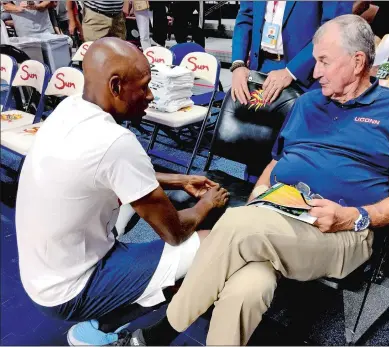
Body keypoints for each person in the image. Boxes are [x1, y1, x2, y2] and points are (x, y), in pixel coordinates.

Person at [115, 14, 389, 346]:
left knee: (238, 224)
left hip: (341, 230)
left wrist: (354, 217)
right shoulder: (308, 103)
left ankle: (159, 333)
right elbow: (277, 162)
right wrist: (259, 201)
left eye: (323, 61)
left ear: (357, 62)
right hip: (277, 217)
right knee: (247, 286)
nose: (316, 71)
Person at [15, 37, 229, 346]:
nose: (150, 95)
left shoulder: (68, 110)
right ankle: (107, 327)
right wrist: (207, 204)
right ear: (115, 86)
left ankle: (115, 302)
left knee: (128, 205)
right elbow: (175, 233)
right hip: (69, 291)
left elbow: (111, 173)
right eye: (143, 87)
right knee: (210, 243)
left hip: (41, 277)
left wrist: (178, 180)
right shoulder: (114, 141)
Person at [230, 1, 354, 106]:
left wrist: (291, 71)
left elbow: (334, 28)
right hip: (259, 67)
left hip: (305, 72)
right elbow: (246, 17)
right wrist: (238, 64)